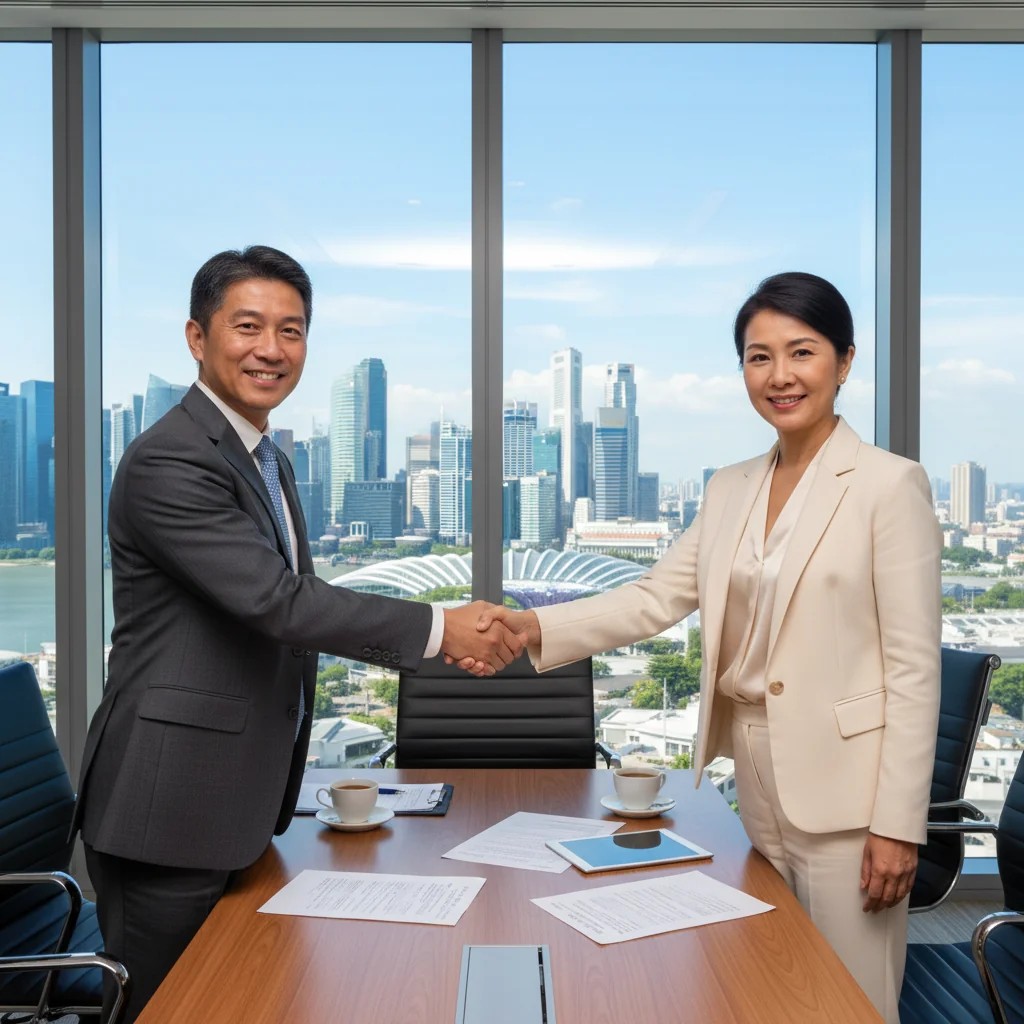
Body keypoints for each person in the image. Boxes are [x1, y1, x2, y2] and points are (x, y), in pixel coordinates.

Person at [469, 272, 941, 1024]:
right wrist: (532, 627)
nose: (780, 376)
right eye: (759, 357)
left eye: (802, 352)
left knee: (849, 1002)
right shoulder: (730, 487)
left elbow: (916, 671)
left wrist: (897, 824)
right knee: (769, 987)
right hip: (752, 777)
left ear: (844, 362)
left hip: (851, 793)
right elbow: (654, 598)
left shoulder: (889, 486)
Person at [72, 245, 524, 1022]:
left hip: (231, 804)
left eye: (292, 330)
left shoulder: (266, 462)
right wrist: (443, 626)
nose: (271, 349)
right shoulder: (171, 460)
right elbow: (280, 603)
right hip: (168, 808)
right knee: (173, 1010)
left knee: (238, 1001)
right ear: (196, 337)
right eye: (248, 326)